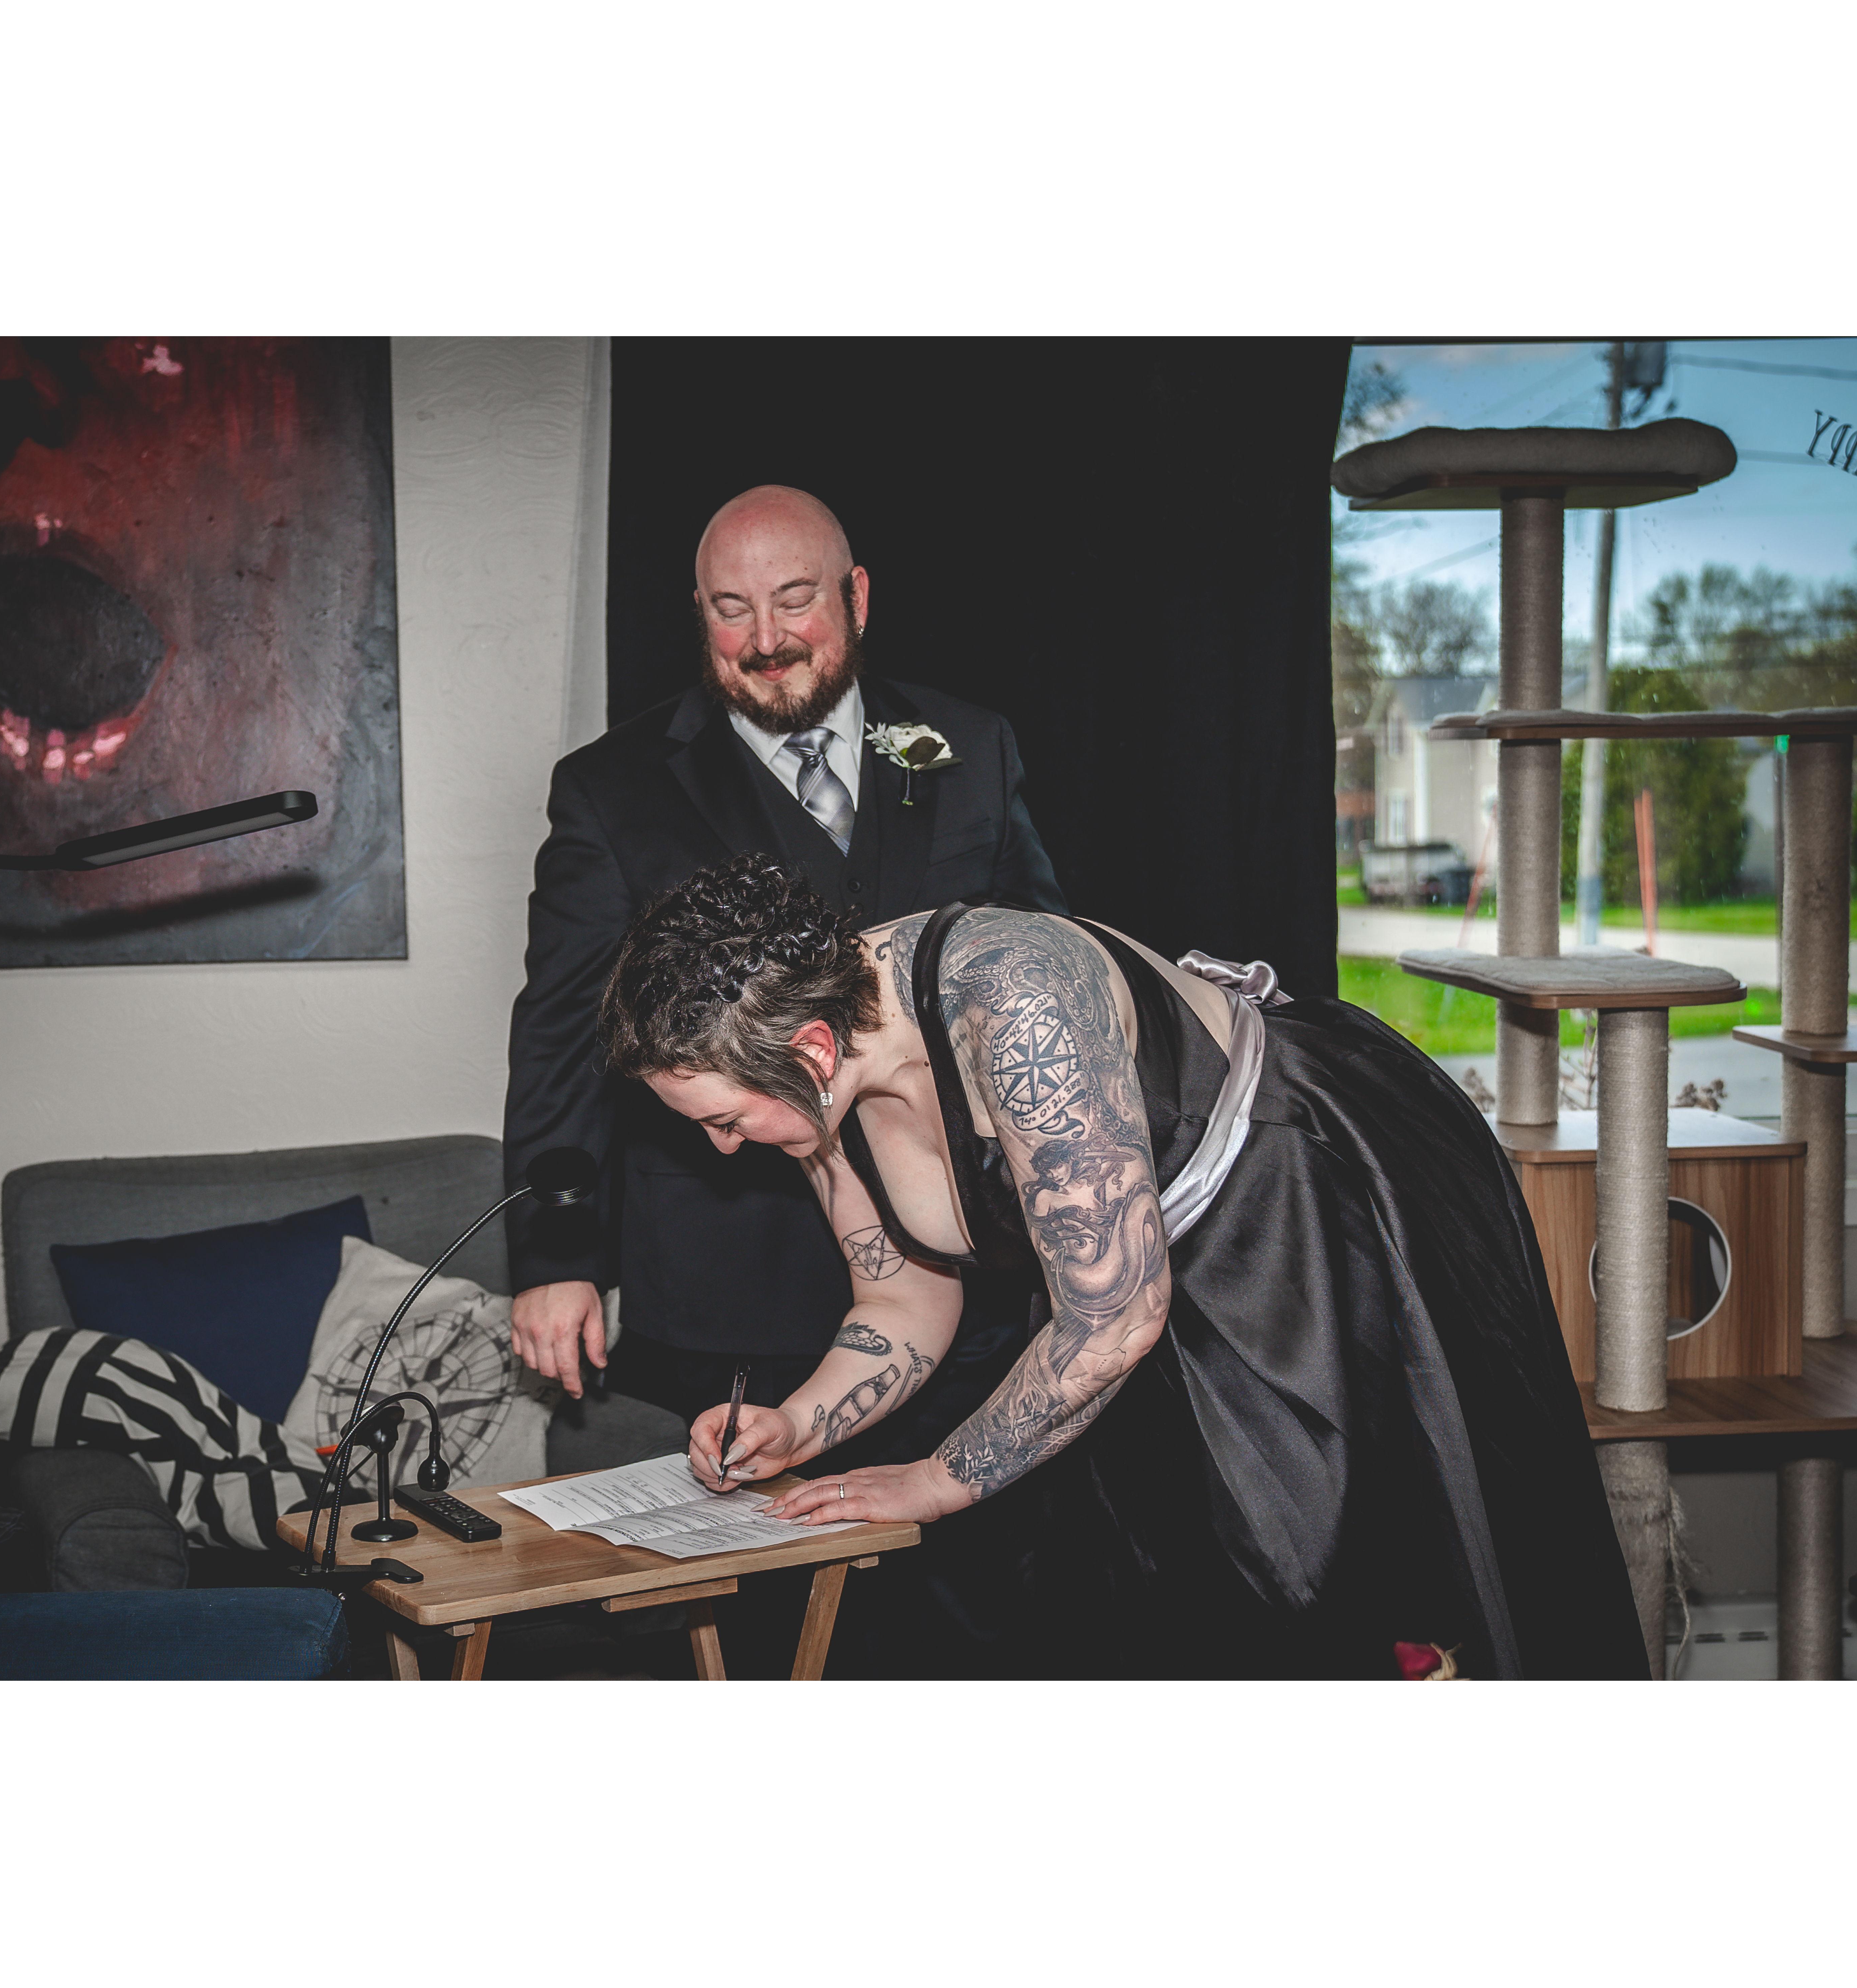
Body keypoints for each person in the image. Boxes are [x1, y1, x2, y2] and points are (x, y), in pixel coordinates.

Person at [596, 856, 1650, 1679]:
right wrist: (798, 1425)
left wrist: (930, 1481)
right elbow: (905, 1296)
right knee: (1150, 1602)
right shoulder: (812, 1094)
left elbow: (1108, 1320)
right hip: (1128, 1296)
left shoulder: (1012, 997)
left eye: (726, 1122)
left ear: (815, 1051)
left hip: (1307, 1209)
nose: (723, 1150)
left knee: (1316, 1587)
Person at [501, 484, 1063, 1428]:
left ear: (858, 598)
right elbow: (562, 1037)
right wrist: (559, 1258)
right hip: (728, 1290)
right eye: (732, 610)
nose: (767, 640)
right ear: (699, 616)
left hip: (963, 1265)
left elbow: (1038, 968)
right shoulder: (611, 788)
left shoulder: (969, 745)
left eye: (796, 599)